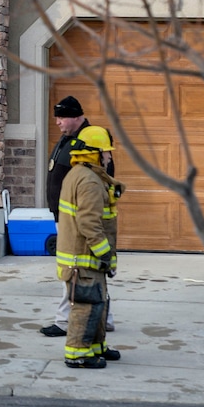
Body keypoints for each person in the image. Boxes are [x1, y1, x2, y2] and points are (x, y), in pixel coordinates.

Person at [40, 94, 115, 337]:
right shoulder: (68, 138)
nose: (58, 122)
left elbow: (104, 177)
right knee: (88, 273)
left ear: (76, 117)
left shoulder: (90, 141)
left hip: (77, 219)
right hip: (65, 216)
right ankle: (105, 317)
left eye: (62, 117)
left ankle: (64, 321)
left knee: (74, 271)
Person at [56, 125, 124, 369]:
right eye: (106, 152)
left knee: (98, 303)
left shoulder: (82, 175)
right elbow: (89, 223)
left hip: (85, 258)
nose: (109, 157)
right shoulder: (89, 181)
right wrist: (105, 253)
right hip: (83, 259)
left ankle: (96, 347)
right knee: (86, 306)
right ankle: (78, 354)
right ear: (94, 154)